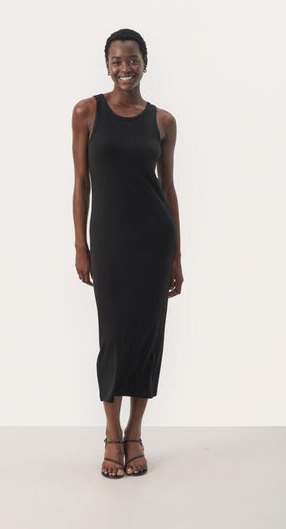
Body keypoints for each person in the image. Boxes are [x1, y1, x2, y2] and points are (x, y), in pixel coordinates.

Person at [71, 29, 184, 478]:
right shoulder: (87, 112)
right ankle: (111, 432)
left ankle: (134, 433)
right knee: (114, 338)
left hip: (154, 243)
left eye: (132, 60)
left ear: (145, 63)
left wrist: (176, 256)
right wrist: (81, 245)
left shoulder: (162, 121)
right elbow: (81, 182)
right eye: (117, 61)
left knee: (148, 339)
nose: (125, 68)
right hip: (110, 243)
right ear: (107, 65)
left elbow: (168, 189)